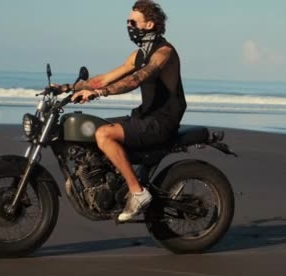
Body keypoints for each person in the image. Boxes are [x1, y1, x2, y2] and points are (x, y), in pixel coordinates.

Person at [55, 0, 187, 221]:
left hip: (161, 121)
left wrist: (99, 94)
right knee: (93, 130)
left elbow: (136, 79)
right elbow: (103, 79)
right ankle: (108, 183)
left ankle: (137, 193)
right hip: (145, 116)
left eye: (133, 21)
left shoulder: (164, 53)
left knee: (103, 134)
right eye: (127, 21)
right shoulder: (138, 54)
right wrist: (65, 88)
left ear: (150, 24)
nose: (128, 25)